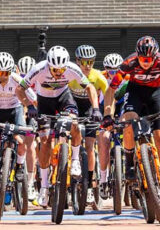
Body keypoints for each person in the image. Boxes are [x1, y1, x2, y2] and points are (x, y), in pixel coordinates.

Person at [17, 45, 100, 208]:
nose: (58, 74)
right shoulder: (38, 69)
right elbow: (20, 89)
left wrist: (96, 108)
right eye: (55, 70)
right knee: (45, 140)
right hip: (44, 101)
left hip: (64, 98)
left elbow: (90, 87)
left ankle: (75, 159)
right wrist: (29, 105)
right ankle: (44, 188)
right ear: (48, 65)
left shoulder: (71, 68)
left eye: (61, 70)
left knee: (74, 123)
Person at [103, 36, 160, 183]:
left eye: (149, 59)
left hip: (156, 94)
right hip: (135, 91)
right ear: (137, 56)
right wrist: (107, 114)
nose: (146, 62)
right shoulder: (129, 63)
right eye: (143, 59)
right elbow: (111, 90)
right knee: (129, 121)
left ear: (155, 56)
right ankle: (129, 163)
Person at [0, 51, 36, 207]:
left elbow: (34, 99)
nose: (3, 76)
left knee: (23, 141)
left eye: (7, 73)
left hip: (14, 110)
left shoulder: (17, 80)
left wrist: (37, 114)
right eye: (0, 72)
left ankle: (20, 166)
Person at [70, 45, 108, 206]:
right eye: (84, 62)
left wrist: (107, 115)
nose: (87, 66)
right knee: (71, 131)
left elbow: (109, 96)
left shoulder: (98, 76)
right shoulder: (71, 74)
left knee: (91, 145)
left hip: (90, 110)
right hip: (72, 107)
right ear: (77, 61)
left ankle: (91, 184)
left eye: (91, 62)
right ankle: (70, 164)